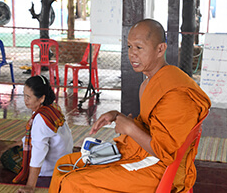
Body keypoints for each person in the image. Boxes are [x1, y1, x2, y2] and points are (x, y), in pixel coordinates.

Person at [49, 19, 211, 193]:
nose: (132, 54)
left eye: (139, 48)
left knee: (72, 182)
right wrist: (117, 116)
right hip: (139, 154)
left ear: (160, 49)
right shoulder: (150, 82)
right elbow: (149, 125)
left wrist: (131, 129)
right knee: (64, 164)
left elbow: (166, 153)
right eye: (129, 47)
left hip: (158, 170)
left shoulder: (176, 95)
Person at [14, 75, 73, 193]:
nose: (25, 100)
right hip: (64, 164)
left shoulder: (41, 118)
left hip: (49, 172)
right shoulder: (53, 107)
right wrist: (23, 141)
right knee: (17, 151)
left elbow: (38, 152)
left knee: (10, 158)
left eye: (28, 97)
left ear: (41, 98)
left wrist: (30, 185)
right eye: (24, 95)